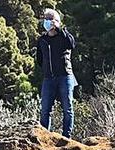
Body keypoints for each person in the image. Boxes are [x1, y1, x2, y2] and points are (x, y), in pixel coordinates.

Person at [35, 9, 77, 138]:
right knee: (45, 110)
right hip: (48, 78)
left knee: (67, 108)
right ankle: (44, 137)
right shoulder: (42, 40)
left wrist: (60, 29)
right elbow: (39, 59)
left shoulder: (64, 36)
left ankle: (66, 137)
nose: (47, 22)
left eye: (50, 19)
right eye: (45, 19)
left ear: (57, 21)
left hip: (65, 76)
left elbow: (72, 44)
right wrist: (47, 70)